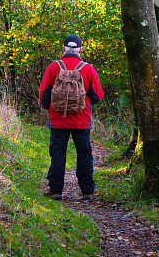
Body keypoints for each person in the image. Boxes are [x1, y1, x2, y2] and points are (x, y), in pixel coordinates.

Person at [38, 34, 104, 201]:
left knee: (58, 152)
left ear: (64, 48)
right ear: (80, 49)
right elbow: (97, 96)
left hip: (58, 120)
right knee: (84, 153)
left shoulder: (54, 67)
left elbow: (43, 95)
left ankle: (56, 191)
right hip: (81, 121)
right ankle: (87, 191)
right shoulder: (88, 69)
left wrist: (50, 108)